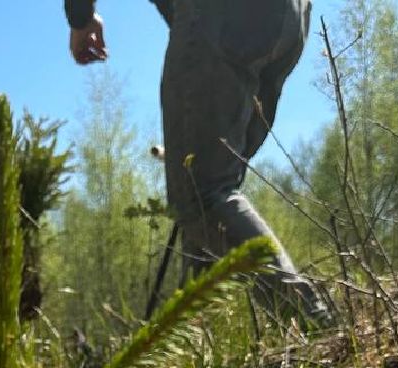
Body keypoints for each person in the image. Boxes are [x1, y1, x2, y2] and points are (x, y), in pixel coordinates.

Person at [63, 0, 332, 328]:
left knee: (201, 193)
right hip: (289, 18)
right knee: (214, 191)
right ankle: (193, 341)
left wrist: (81, 18)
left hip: (223, 15)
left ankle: (314, 324)